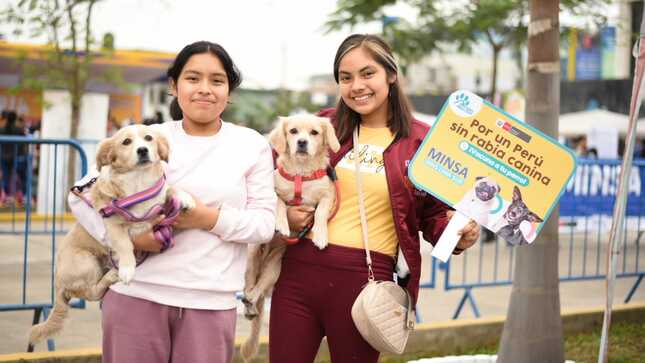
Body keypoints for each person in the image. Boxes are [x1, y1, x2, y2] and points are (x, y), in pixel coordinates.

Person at [268, 34, 480, 363]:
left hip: (366, 282)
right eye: (346, 77)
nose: (357, 86)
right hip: (297, 275)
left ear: (391, 75)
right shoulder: (322, 126)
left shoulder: (422, 142)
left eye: (368, 74)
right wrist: (281, 215)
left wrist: (458, 233)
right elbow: (266, 179)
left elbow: (435, 216)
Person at [68, 41, 276, 363]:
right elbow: (80, 196)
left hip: (210, 303)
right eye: (193, 78)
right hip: (136, 294)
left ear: (229, 91)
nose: (205, 89)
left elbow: (264, 224)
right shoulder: (145, 137)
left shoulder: (250, 144)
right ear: (174, 85)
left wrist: (207, 218)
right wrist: (127, 240)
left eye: (217, 81)